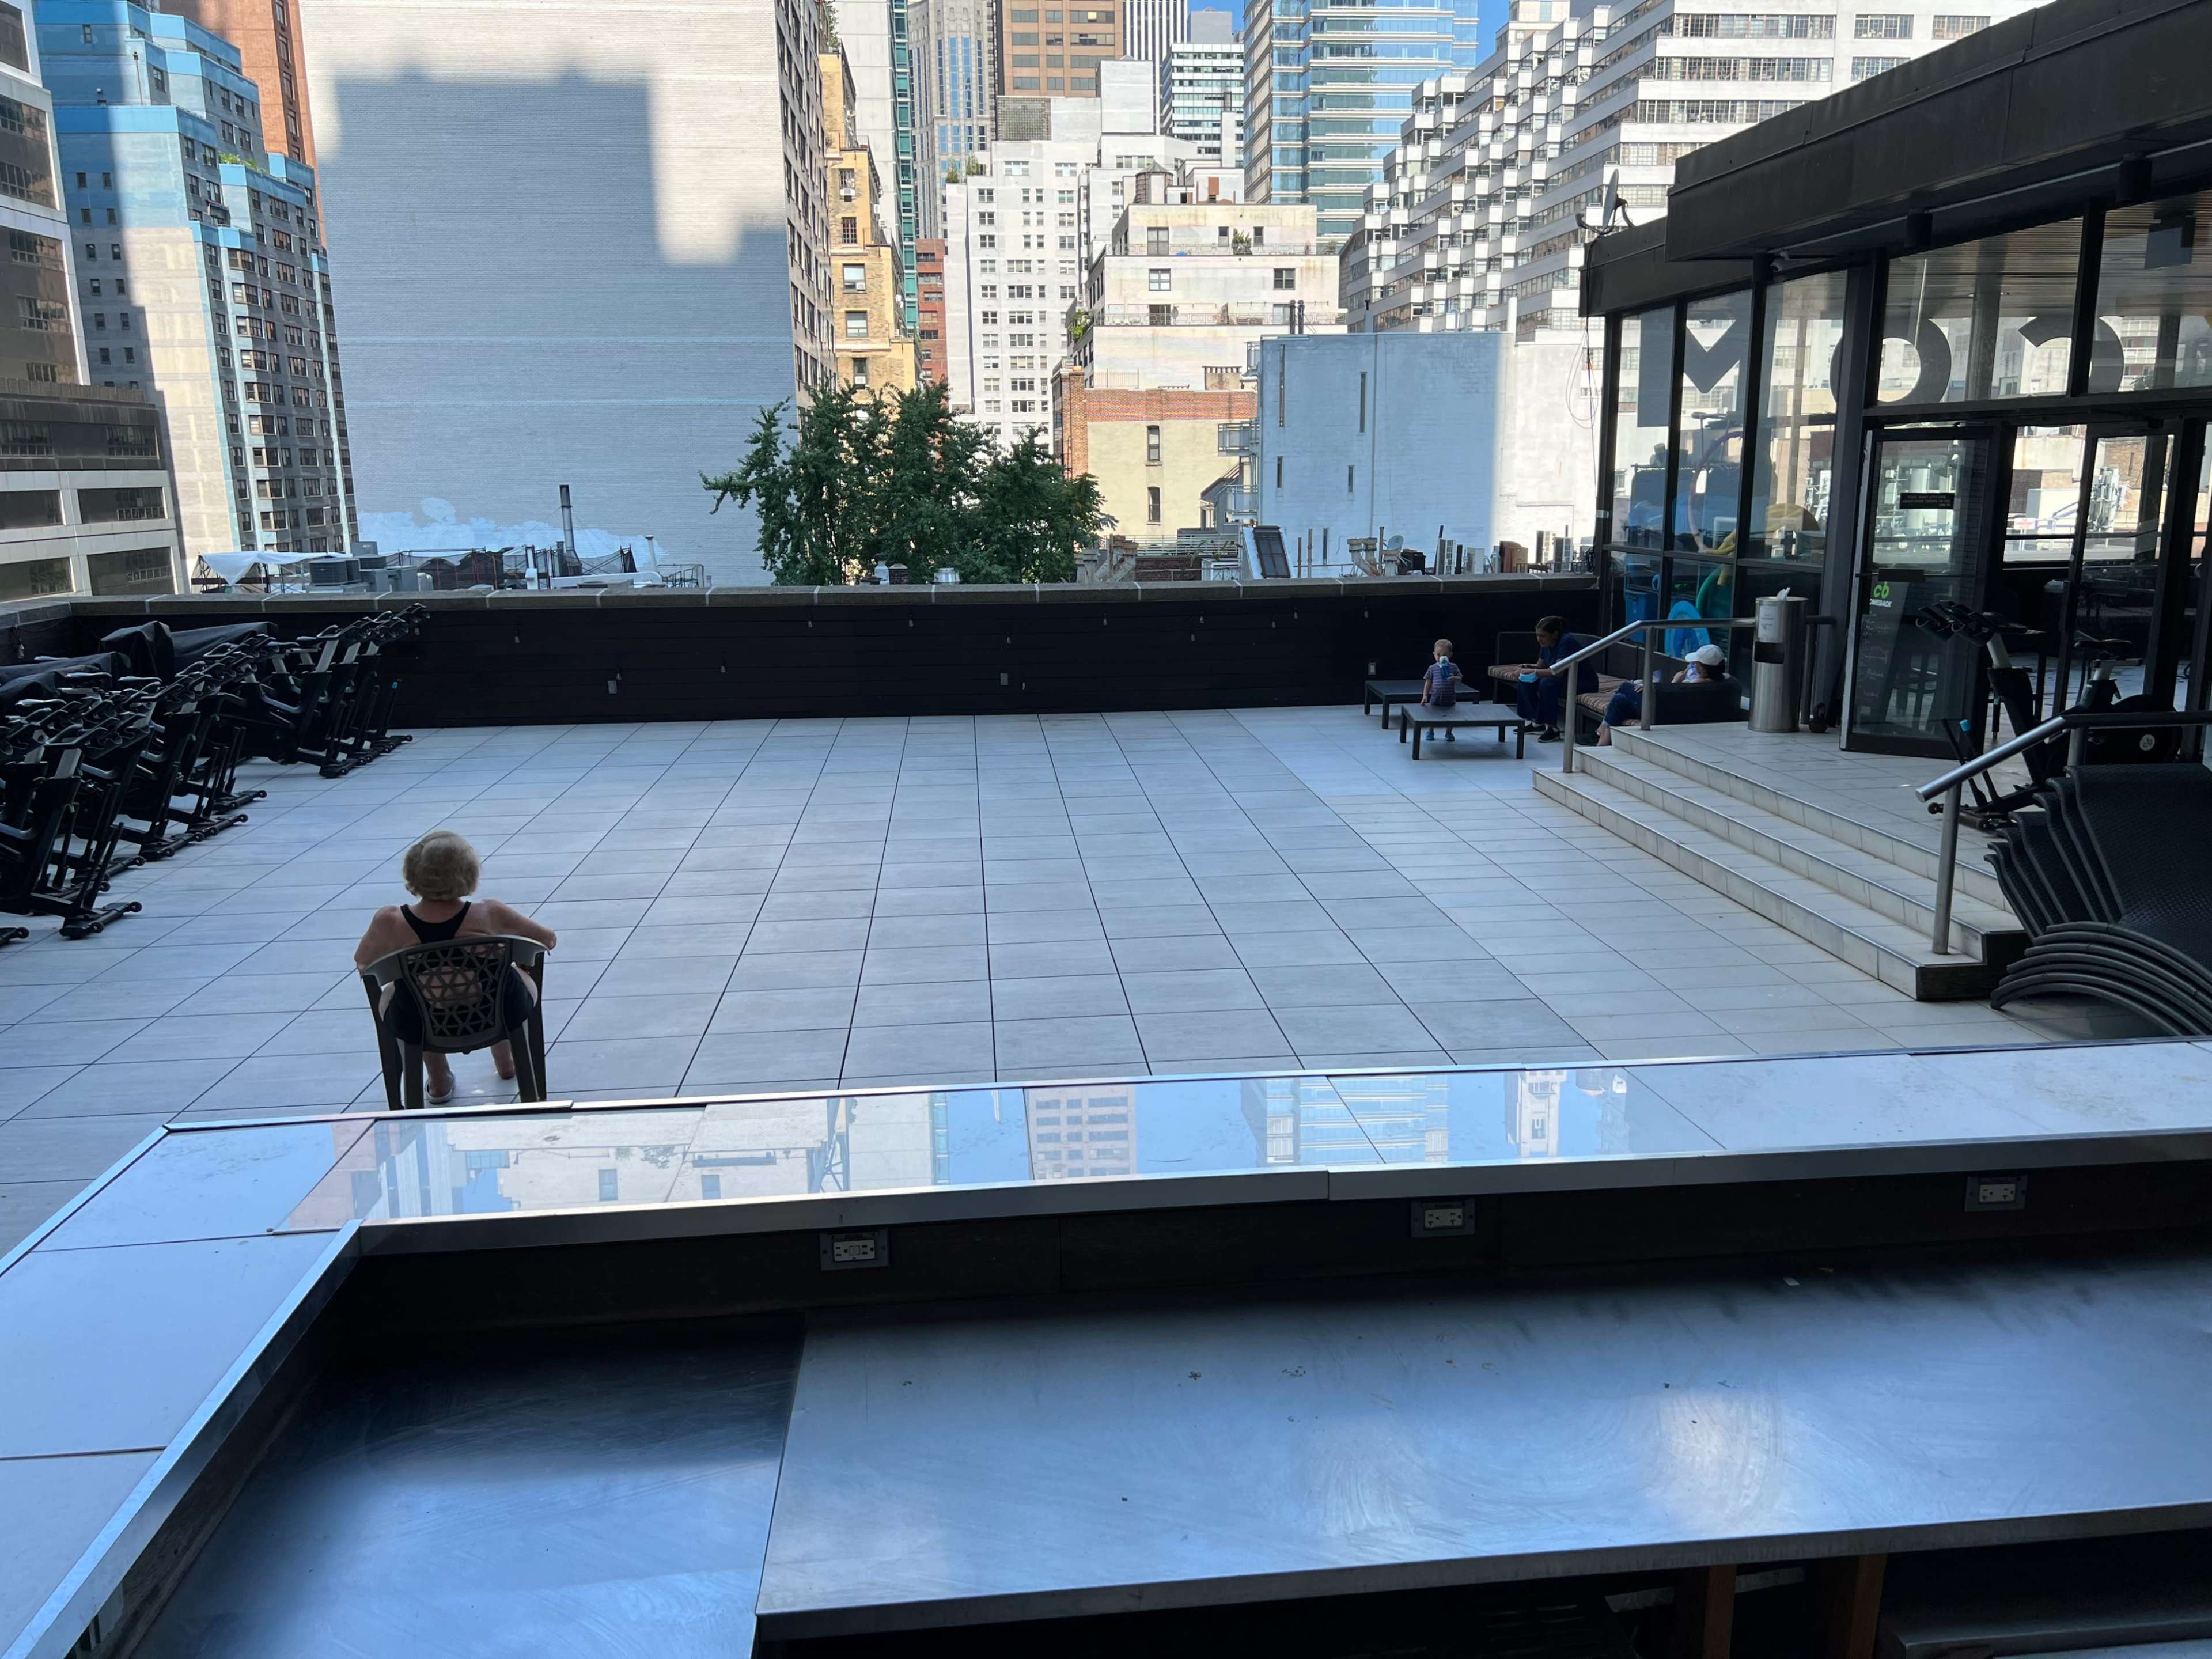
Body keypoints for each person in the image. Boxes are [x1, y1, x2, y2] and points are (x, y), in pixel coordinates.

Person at [354, 830, 558, 1104]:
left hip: (421, 1021)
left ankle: (438, 1080)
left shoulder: (390, 921)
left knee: (411, 991)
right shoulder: (489, 913)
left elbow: (363, 964)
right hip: (495, 1013)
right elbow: (547, 939)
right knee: (501, 977)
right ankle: (507, 1062)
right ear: (469, 872)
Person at [1597, 642, 1727, 745]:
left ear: (1704, 669)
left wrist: (1675, 681)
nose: (1693, 665)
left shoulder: (1697, 683)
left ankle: (1603, 729)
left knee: (1626, 687)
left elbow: (1675, 697)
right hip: (1666, 707)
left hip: (1663, 712)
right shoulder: (1721, 679)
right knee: (1619, 700)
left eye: (1696, 665)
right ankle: (1604, 739)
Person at [1514, 615, 1597, 742]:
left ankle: (1553, 729)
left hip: (1581, 682)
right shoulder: (1546, 644)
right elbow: (1541, 665)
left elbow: (1558, 672)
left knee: (1547, 684)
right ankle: (1537, 721)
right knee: (1525, 680)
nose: (1539, 639)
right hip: (1563, 680)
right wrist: (1525, 667)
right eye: (1537, 635)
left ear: (1555, 634)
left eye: (1542, 636)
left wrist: (1532, 671)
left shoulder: (1567, 642)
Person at [1420, 637, 1463, 741]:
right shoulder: (1432, 668)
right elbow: (1428, 682)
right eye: (1438, 655)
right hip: (1436, 697)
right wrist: (1425, 695)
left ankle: (1449, 733)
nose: (1441, 657)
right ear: (1434, 654)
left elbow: (1460, 678)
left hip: (1450, 698)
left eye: (1444, 655)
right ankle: (1430, 731)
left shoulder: (1453, 667)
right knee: (1432, 715)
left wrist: (1454, 679)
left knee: (1451, 717)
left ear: (1450, 655)